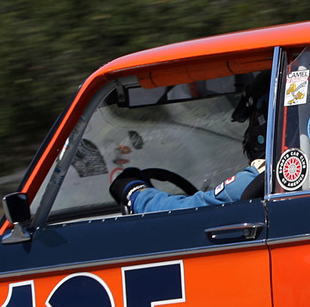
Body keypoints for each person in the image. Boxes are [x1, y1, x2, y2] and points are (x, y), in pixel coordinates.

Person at [108, 80, 269, 214]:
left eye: (252, 121)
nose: (248, 132)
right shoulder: (285, 175)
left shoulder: (264, 178)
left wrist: (134, 193)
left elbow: (188, 211)